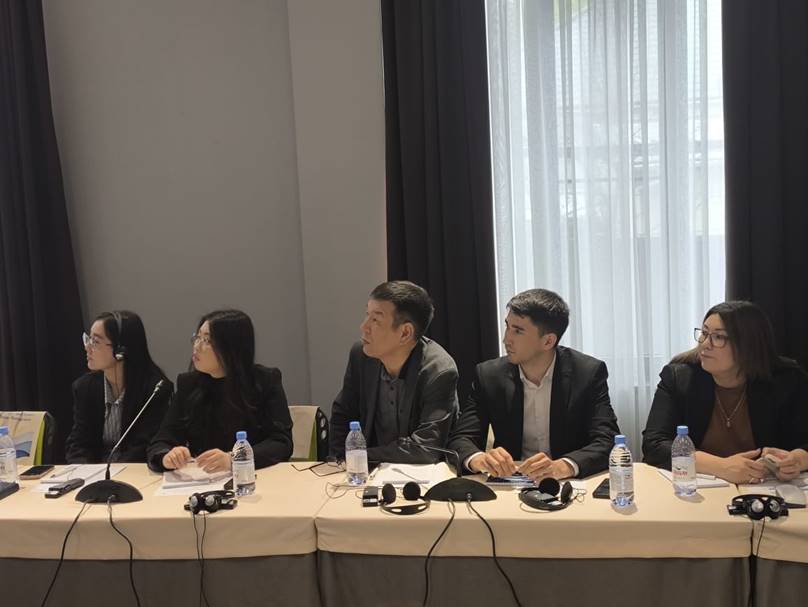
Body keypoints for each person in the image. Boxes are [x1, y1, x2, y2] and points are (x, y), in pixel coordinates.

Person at [448, 288, 619, 481]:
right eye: (507, 327)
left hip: (568, 483)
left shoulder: (587, 373)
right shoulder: (489, 375)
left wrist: (563, 466)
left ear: (548, 341)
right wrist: (479, 459)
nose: (506, 339)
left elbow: (608, 441)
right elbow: (460, 439)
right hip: (512, 481)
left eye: (518, 331)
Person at [642, 300, 808, 483]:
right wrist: (721, 466)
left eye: (719, 337)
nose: (705, 344)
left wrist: (797, 460)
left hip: (763, 486)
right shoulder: (679, 377)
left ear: (748, 345)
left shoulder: (787, 380)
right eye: (704, 333)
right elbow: (654, 445)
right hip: (698, 485)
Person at [329, 281, 459, 464]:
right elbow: (343, 414)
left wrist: (359, 456)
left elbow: (426, 448)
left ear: (405, 333)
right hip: (365, 470)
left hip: (420, 474)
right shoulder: (361, 355)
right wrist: (339, 460)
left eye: (375, 320)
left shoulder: (439, 371)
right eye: (367, 315)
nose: (364, 327)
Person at [147, 309, 293, 472]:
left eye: (207, 340)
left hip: (254, 476)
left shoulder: (265, 381)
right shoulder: (188, 384)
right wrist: (166, 456)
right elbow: (161, 441)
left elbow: (281, 442)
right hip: (202, 479)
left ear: (231, 347)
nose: (197, 346)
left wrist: (235, 458)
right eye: (197, 337)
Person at [66, 310, 172, 463]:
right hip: (96, 472)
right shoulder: (84, 387)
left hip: (135, 471)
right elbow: (78, 444)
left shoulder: (155, 389)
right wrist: (84, 471)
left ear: (120, 350)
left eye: (95, 342)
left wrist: (113, 472)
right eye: (88, 339)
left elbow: (144, 445)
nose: (87, 347)